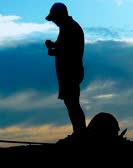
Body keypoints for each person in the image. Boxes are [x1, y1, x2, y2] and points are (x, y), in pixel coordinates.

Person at [45, 2, 87, 142]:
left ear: (60, 15)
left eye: (54, 18)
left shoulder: (70, 28)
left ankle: (80, 134)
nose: (54, 22)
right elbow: (61, 51)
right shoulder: (67, 27)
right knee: (71, 103)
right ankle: (79, 132)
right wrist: (53, 47)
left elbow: (67, 52)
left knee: (72, 104)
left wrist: (53, 48)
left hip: (71, 73)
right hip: (68, 74)